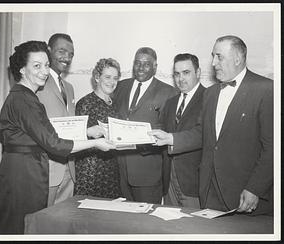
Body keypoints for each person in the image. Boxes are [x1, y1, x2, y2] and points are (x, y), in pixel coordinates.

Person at [0, 41, 115, 234]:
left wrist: (87, 132)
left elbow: (49, 133)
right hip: (23, 176)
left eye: (46, 65)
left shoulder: (26, 97)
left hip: (27, 171)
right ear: (22, 69)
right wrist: (96, 143)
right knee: (21, 230)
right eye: (37, 66)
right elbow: (54, 143)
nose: (44, 71)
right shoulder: (23, 100)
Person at [150, 35, 273, 215]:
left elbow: (273, 148)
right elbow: (204, 134)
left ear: (237, 58)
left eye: (219, 56)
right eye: (213, 56)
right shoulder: (212, 93)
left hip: (245, 194)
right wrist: (170, 138)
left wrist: (255, 188)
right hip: (209, 192)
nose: (213, 62)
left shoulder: (266, 89)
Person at [113, 47, 177, 204]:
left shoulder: (169, 92)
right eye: (137, 63)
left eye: (146, 64)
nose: (140, 68)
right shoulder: (120, 86)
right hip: (119, 170)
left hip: (148, 173)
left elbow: (169, 133)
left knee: (146, 224)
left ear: (155, 67)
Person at [160, 53, 205, 208]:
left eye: (186, 73)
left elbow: (203, 134)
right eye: (177, 74)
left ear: (198, 73)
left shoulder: (209, 98)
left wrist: (171, 139)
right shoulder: (171, 102)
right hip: (169, 183)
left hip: (194, 183)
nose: (181, 79)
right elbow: (162, 133)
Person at [36, 33, 77, 206]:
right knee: (41, 223)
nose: (67, 57)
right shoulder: (37, 81)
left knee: (61, 223)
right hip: (47, 170)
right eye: (62, 51)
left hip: (70, 168)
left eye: (71, 54)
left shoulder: (69, 87)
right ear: (49, 50)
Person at [74, 58, 122, 198]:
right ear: (96, 77)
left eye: (115, 78)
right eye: (107, 77)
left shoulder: (115, 104)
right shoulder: (85, 103)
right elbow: (77, 138)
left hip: (111, 169)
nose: (111, 82)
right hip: (90, 171)